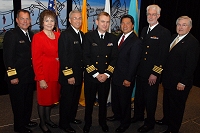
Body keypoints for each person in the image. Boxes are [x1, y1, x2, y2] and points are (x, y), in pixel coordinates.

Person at [156, 16, 200, 133]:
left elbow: (191, 66)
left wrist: (183, 82)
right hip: (169, 80)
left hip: (179, 83)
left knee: (177, 107)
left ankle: (173, 128)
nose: (180, 27)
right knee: (167, 103)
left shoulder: (192, 43)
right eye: (179, 24)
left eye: (184, 25)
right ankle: (166, 119)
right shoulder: (174, 37)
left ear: (189, 28)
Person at [131, 4, 171, 132]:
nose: (151, 16)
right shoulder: (144, 30)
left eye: (154, 14)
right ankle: (138, 116)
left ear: (158, 16)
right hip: (141, 71)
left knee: (150, 99)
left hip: (152, 73)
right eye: (149, 14)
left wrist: (155, 73)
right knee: (139, 97)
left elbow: (163, 55)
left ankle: (150, 122)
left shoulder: (164, 32)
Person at [83, 12, 118, 133]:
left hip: (105, 77)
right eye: (102, 21)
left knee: (103, 103)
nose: (105, 24)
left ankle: (103, 123)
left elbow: (114, 58)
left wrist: (107, 74)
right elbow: (85, 57)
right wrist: (96, 74)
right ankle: (87, 123)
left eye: (107, 22)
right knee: (89, 102)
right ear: (97, 22)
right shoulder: (88, 36)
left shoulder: (113, 38)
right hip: (92, 76)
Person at [3, 9, 37, 133]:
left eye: (27, 19)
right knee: (18, 104)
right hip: (17, 77)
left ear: (30, 21)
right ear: (17, 20)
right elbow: (8, 58)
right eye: (22, 18)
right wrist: (12, 76)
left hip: (28, 76)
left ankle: (26, 121)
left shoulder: (31, 35)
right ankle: (19, 127)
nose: (25, 21)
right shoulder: (12, 35)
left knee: (28, 101)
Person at [106, 15, 142, 132]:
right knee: (116, 99)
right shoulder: (118, 38)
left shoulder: (135, 41)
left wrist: (128, 79)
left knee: (124, 101)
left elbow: (134, 63)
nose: (125, 25)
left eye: (128, 23)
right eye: (122, 23)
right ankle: (117, 115)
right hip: (115, 76)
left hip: (125, 78)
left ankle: (125, 122)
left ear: (132, 25)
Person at [32, 10, 60, 133]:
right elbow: (36, 60)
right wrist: (41, 78)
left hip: (56, 74)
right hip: (45, 75)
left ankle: (48, 119)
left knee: (51, 100)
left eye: (52, 20)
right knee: (43, 101)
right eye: (47, 20)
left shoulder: (58, 35)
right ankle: (42, 123)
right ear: (42, 22)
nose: (49, 23)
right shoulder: (38, 37)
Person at [58, 10, 84, 133]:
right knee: (67, 101)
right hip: (69, 76)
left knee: (74, 99)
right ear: (69, 20)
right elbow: (64, 57)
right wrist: (69, 75)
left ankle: (71, 118)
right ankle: (64, 123)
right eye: (75, 18)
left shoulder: (82, 34)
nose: (78, 20)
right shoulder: (65, 35)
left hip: (79, 75)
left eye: (80, 18)